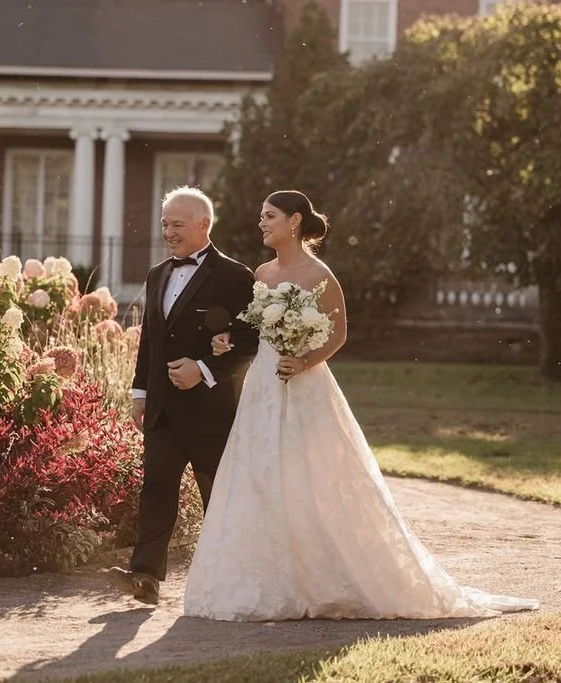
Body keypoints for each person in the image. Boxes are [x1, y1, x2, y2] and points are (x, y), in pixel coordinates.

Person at [182, 190, 540, 621]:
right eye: (261, 215)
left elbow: (338, 334)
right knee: (258, 473)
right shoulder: (263, 271)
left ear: (294, 221)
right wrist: (227, 340)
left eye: (270, 216)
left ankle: (328, 578)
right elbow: (254, 330)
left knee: (312, 475)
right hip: (263, 383)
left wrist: (306, 359)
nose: (262, 223)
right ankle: (268, 578)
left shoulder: (319, 274)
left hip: (304, 385)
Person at [105, 186, 259, 605]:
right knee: (155, 490)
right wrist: (140, 392)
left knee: (218, 498)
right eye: (164, 224)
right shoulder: (157, 274)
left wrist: (204, 369)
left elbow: (250, 339)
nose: (168, 232)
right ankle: (145, 577)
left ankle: (230, 581)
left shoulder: (235, 276)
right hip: (162, 410)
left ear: (203, 225)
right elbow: (150, 342)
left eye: (177, 224)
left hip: (211, 411)